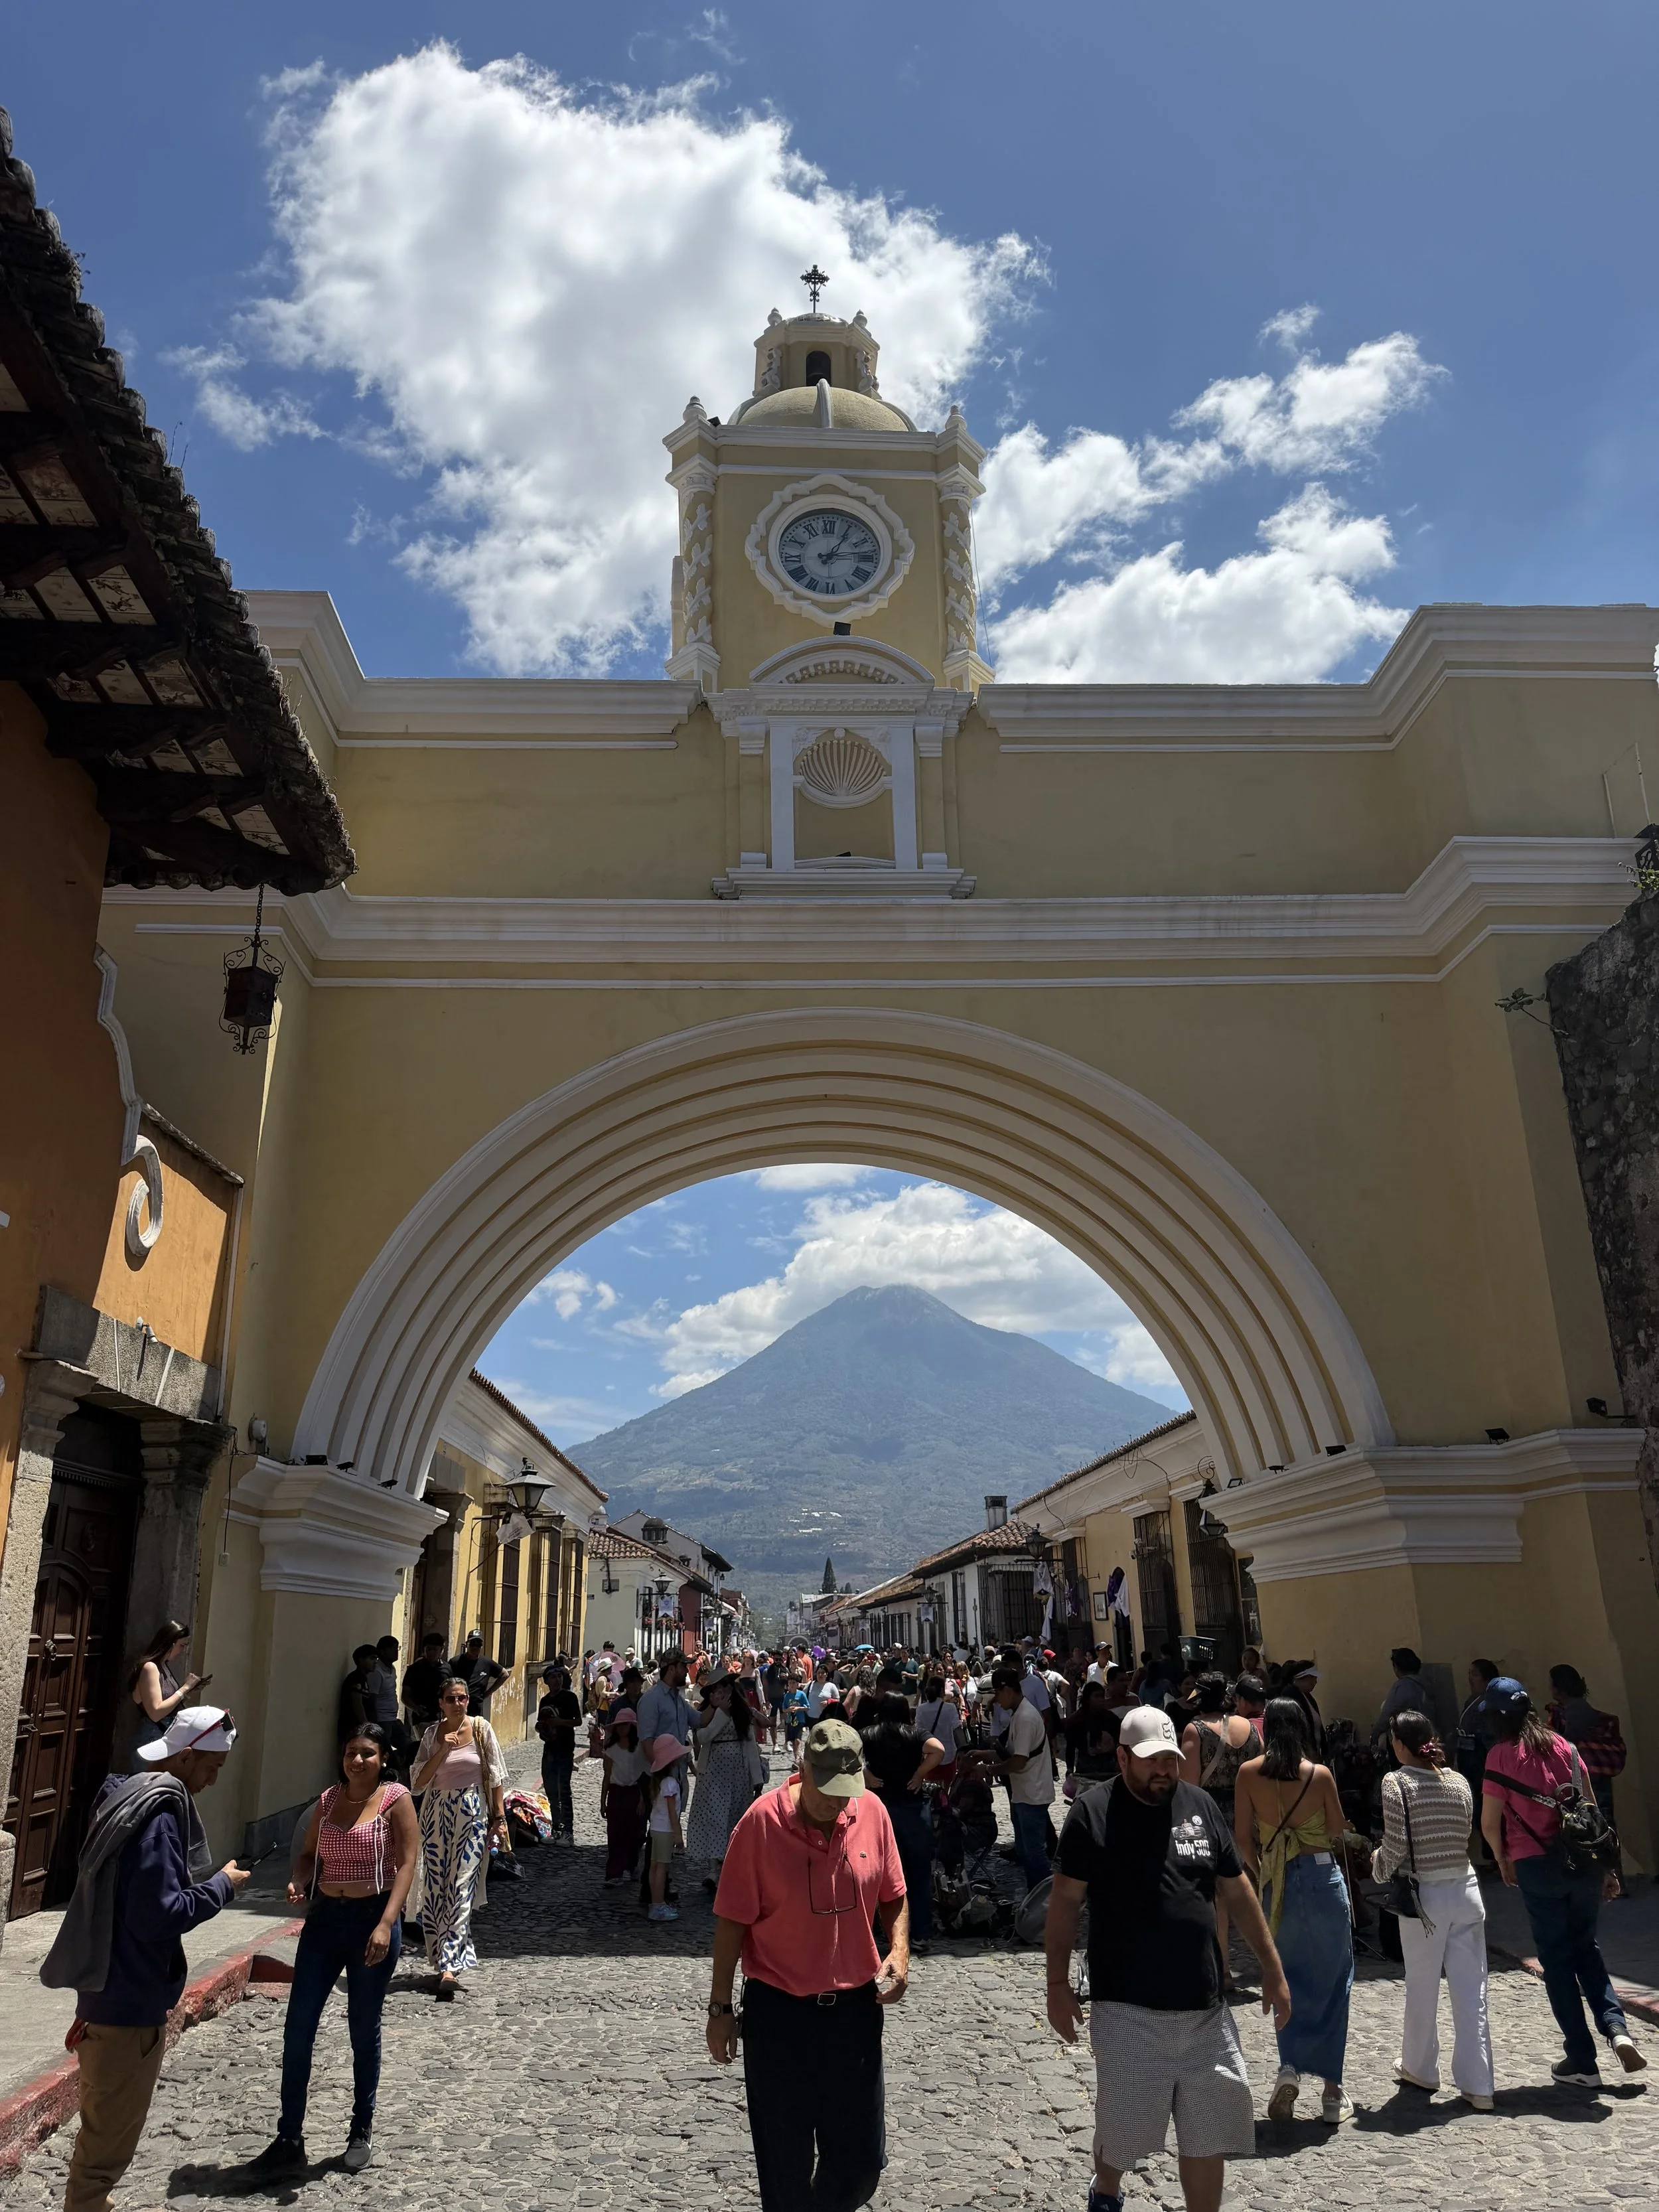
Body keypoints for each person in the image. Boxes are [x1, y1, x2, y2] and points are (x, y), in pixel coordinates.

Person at [1045, 1707, 1291, 2212]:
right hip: (1127, 2006)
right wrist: (1056, 1985)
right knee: (1124, 2127)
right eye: (1151, 1759)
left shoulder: (1198, 1804)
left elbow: (1237, 1890)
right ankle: (1106, 2189)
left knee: (1207, 2134)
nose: (1164, 1769)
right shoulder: (1092, 1812)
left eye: (1170, 1759)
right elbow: (1066, 1902)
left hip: (1204, 2006)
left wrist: (1271, 1966)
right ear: (1122, 1757)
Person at [40, 1708, 248, 2212]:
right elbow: (159, 1913)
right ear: (184, 1755)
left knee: (102, 2136)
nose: (213, 1778)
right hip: (127, 2004)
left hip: (106, 1992)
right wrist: (221, 1885)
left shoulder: (126, 1794)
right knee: (103, 2152)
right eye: (211, 1766)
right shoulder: (157, 1816)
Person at [707, 1719, 908, 2212]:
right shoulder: (760, 1824)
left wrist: (899, 1953)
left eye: (848, 1790)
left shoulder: (872, 1813)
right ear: (803, 1770)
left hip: (854, 2016)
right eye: (829, 1791)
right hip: (780, 2017)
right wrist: (720, 2008)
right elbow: (731, 1923)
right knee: (785, 2166)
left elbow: (895, 1895)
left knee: (861, 2162)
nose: (839, 1803)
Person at [243, 1722, 419, 2177]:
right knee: (298, 2026)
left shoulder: (394, 1799)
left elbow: (406, 1863)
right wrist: (298, 1880)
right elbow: (306, 1856)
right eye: (351, 1753)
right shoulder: (326, 1801)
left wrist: (385, 1924)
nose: (357, 1761)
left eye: (367, 1753)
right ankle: (289, 2137)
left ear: (383, 1758)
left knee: (363, 2026)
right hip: (325, 1922)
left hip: (371, 1923)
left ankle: (361, 2128)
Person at [1479, 1676, 1644, 2085]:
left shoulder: (1501, 1755)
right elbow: (1592, 1814)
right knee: (1586, 1946)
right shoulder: (1565, 1747)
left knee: (1556, 1959)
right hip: (1584, 1863)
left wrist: (1502, 1859)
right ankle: (1617, 2029)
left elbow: (1489, 1822)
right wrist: (1608, 1869)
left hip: (1537, 1864)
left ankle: (1583, 2060)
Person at [1235, 1696, 1356, 2124]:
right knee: (1334, 1978)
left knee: (1284, 1975)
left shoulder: (1248, 1774)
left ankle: (1289, 2068)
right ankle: (1332, 2091)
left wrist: (1264, 1868)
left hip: (1277, 1883)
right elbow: (1337, 1830)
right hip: (1321, 1878)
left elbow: (1242, 1840)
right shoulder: (1319, 1774)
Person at [1370, 1709, 1493, 2108]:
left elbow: (1396, 1846)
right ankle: (1480, 2086)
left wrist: (1376, 1865)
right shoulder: (1458, 1781)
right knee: (1472, 1990)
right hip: (1466, 1887)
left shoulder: (1396, 1782)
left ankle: (1421, 2070)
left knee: (1422, 1986)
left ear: (1402, 1743)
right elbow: (1465, 1831)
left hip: (1425, 1899)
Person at [410, 1676, 508, 1998]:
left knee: (462, 1884)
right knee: (436, 1886)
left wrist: (500, 1817)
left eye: (462, 1698)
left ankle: (452, 1965)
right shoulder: (431, 1735)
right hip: (436, 1812)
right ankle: (440, 1959)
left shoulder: (481, 1729)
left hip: (472, 1812)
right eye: (451, 1699)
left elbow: (495, 1774)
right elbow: (418, 1783)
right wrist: (444, 1750)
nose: (458, 1703)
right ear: (441, 1703)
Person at [1180, 1673, 1264, 1991]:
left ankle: (1223, 1971)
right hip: (1249, 1814)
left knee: (1217, 1900)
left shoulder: (1196, 1730)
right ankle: (1272, 1962)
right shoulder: (1250, 1728)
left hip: (1211, 1817)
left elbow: (1187, 1786)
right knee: (1253, 1891)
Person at [860, 1692, 946, 1952]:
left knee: (876, 1874)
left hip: (880, 1809)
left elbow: (848, 1752)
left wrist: (866, 1774)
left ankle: (874, 1933)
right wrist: (920, 1773)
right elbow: (939, 1750)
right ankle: (921, 1933)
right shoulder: (915, 1734)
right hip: (912, 1808)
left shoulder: (868, 1733)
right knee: (919, 1873)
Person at [1547, 1664, 1628, 1881]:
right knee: (1604, 1824)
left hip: (1588, 1779)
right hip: (1599, 1776)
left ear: (1559, 1688)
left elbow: (1567, 1744)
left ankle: (1608, 1878)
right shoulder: (1577, 1709)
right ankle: (1612, 1877)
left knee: (1596, 1826)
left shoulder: (1573, 1713)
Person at [685, 1676, 766, 1891]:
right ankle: (713, 1869)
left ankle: (730, 1866)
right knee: (715, 1818)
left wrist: (756, 1777)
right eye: (716, 1689)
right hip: (713, 1772)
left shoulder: (741, 1711)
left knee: (734, 1818)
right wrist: (720, 1714)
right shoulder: (710, 1713)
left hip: (738, 1773)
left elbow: (756, 1734)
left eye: (724, 1688)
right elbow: (703, 1737)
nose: (720, 1693)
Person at [989, 1664, 1054, 1891]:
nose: (996, 1699)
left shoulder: (1025, 1717)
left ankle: (1044, 1899)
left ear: (1007, 1690)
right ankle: (1037, 1896)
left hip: (1032, 1793)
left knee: (1034, 1852)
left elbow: (1018, 1761)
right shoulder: (1019, 1714)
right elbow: (1010, 1751)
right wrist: (981, 1755)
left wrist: (989, 1771)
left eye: (997, 1693)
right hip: (1023, 1793)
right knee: (1027, 1851)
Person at [125, 1621, 206, 1757]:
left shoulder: (163, 1667)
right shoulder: (150, 1668)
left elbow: (167, 1700)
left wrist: (189, 1690)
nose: (183, 1651)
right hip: (152, 1740)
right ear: (171, 1644)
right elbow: (156, 1712)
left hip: (164, 1738)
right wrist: (185, 1688)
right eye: (182, 1646)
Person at [1455, 1658, 1500, 1853]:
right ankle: (1489, 1855)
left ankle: (1496, 1857)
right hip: (1471, 1767)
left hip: (1484, 1767)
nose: (1470, 1679)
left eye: (1475, 1674)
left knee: (1491, 1812)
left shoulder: (1489, 1706)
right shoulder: (1471, 1701)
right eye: (1469, 1673)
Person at [601, 1708, 648, 1885]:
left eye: (625, 1725)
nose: (622, 1729)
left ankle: (632, 1864)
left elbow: (643, 1775)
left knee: (634, 1834)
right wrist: (603, 1801)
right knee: (614, 1834)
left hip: (634, 1793)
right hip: (616, 1793)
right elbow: (607, 1776)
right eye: (620, 1726)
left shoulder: (639, 1750)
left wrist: (643, 1799)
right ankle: (615, 1873)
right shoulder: (611, 1750)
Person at [535, 1664, 582, 1840]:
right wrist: (541, 1728)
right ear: (547, 1681)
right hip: (549, 1750)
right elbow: (543, 1722)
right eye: (553, 1677)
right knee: (551, 1792)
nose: (557, 1680)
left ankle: (568, 1832)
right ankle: (556, 1829)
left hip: (565, 1749)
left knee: (564, 1790)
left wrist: (559, 1722)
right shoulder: (545, 1701)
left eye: (560, 1677)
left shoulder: (569, 1698)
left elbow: (577, 1721)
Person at [644, 1733, 685, 1923]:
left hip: (656, 1828)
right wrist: (678, 1836)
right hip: (665, 1830)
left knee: (654, 1866)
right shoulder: (670, 1783)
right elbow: (672, 1813)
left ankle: (655, 1902)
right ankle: (658, 1904)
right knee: (662, 1868)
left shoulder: (659, 1781)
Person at [1373, 1647, 1431, 1746]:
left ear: (1397, 1668)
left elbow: (1387, 1716)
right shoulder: (1425, 1684)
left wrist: (1374, 1736)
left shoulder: (1403, 1686)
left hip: (1410, 1742)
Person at [914, 1666, 962, 1782]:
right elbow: (957, 1730)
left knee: (932, 1789)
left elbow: (918, 1732)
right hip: (949, 1754)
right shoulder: (950, 1708)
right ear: (942, 1691)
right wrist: (964, 1750)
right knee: (947, 1790)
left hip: (930, 1757)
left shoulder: (921, 1709)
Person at [399, 1631, 449, 1734]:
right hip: (421, 1721)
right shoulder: (414, 1669)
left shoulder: (447, 1669)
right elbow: (405, 1696)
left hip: (442, 1719)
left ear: (441, 1650)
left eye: (434, 1649)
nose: (431, 1653)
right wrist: (417, 1709)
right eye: (428, 1649)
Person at [447, 1631, 507, 1717]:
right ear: (467, 1644)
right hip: (457, 1707)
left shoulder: (487, 1663)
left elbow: (504, 1674)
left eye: (478, 1644)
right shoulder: (455, 1662)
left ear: (482, 1646)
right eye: (472, 1644)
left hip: (475, 1709)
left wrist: (488, 1693)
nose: (475, 1647)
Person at [1285, 1662, 1327, 1759]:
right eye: (1313, 1678)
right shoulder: (1291, 1696)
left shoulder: (1307, 1696)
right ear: (1304, 1677)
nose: (1315, 1682)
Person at [338, 1645, 379, 1741]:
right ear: (361, 1660)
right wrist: (366, 1727)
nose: (375, 1662)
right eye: (372, 1658)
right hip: (354, 1729)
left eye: (376, 1659)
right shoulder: (356, 1678)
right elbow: (357, 1703)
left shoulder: (364, 1679)